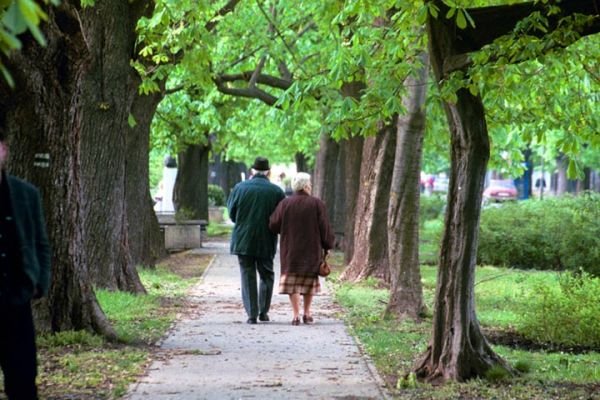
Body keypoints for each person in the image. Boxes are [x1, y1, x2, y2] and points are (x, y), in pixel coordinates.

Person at [0, 131, 51, 399]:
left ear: (5, 151)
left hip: (17, 304)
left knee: (22, 381)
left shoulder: (26, 194)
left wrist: (39, 284)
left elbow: (41, 244)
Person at [268, 172, 335, 326]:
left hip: (291, 250)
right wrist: (328, 245)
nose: (311, 186)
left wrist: (285, 229)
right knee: (308, 282)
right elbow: (324, 228)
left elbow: (273, 224)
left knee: (293, 283)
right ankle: (307, 312)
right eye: (310, 184)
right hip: (311, 250)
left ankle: (295, 314)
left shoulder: (285, 204)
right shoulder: (317, 204)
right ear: (305, 186)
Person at [227, 156, 285, 324]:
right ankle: (263, 311)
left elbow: (232, 214)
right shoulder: (276, 191)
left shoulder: (239, 188)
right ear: (268, 171)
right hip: (266, 239)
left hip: (243, 239)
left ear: (252, 171)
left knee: (247, 274)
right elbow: (280, 218)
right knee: (267, 274)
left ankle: (251, 314)